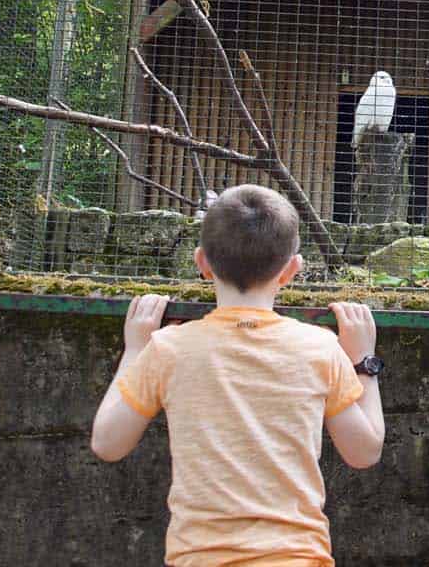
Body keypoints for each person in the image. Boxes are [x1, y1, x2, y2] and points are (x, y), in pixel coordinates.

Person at [90, 184, 386, 566]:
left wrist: (134, 351)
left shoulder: (168, 349)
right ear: (291, 270)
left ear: (202, 262)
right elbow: (364, 451)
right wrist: (364, 360)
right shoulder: (320, 348)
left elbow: (107, 443)